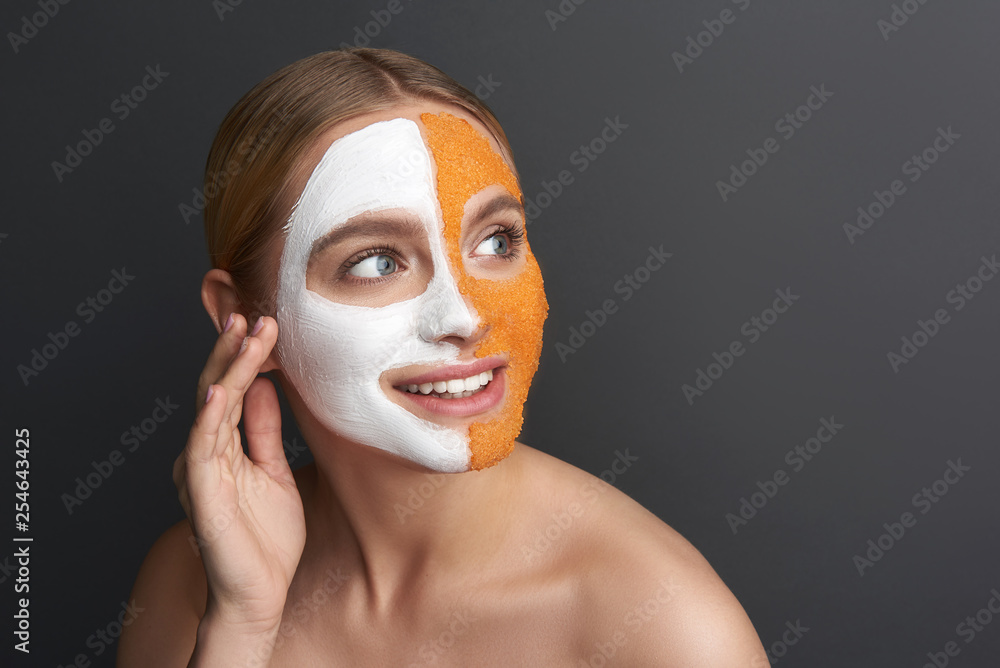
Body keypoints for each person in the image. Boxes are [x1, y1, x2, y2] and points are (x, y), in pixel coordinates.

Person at [118, 48, 768, 667]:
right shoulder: (190, 586)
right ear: (242, 317)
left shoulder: (664, 627)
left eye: (495, 240)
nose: (465, 315)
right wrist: (241, 629)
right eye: (376, 261)